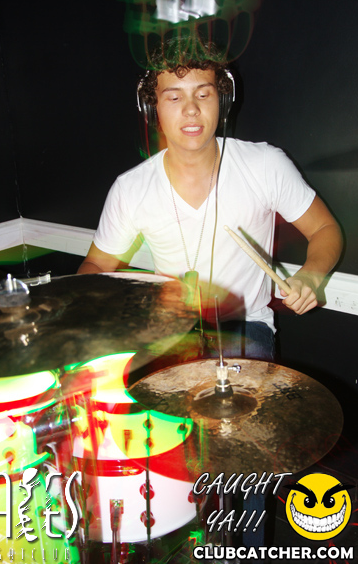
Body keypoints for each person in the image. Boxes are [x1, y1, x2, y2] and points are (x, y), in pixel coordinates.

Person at [78, 37, 342, 362]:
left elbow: (325, 228)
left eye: (203, 94)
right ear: (152, 108)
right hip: (171, 331)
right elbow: (97, 264)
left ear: (222, 101)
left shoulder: (265, 165)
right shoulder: (130, 189)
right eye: (174, 97)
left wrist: (311, 275)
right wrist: (83, 303)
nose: (191, 109)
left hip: (245, 328)